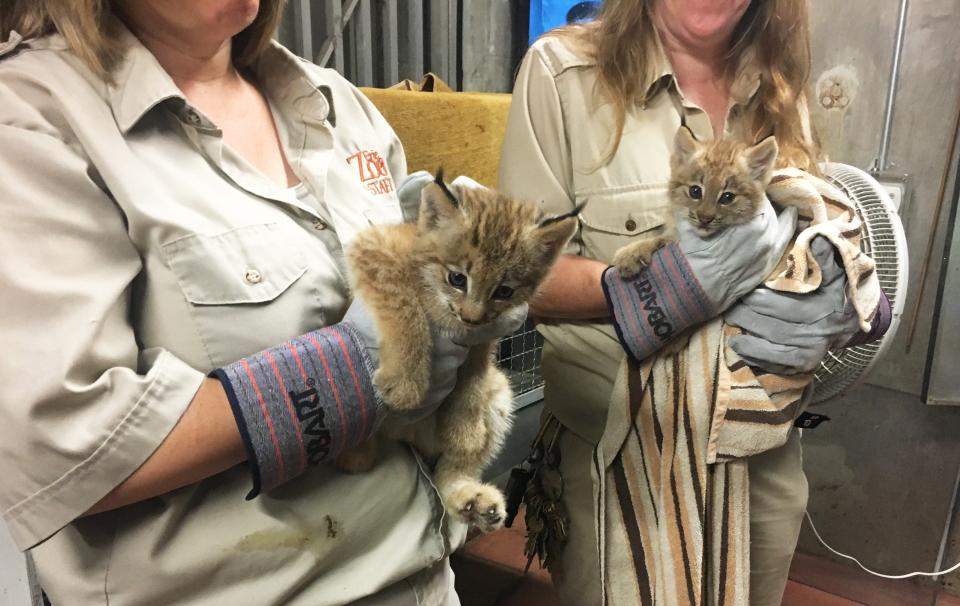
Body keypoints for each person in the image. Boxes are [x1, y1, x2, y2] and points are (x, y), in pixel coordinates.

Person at [0, 1, 521, 604]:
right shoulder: (32, 117)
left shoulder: (333, 100)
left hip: (421, 575)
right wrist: (345, 375)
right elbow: (63, 456)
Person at [499, 0, 890, 604]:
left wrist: (853, 303)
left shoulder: (781, 87)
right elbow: (521, 273)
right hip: (619, 463)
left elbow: (827, 221)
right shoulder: (562, 73)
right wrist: (651, 291)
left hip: (761, 456)